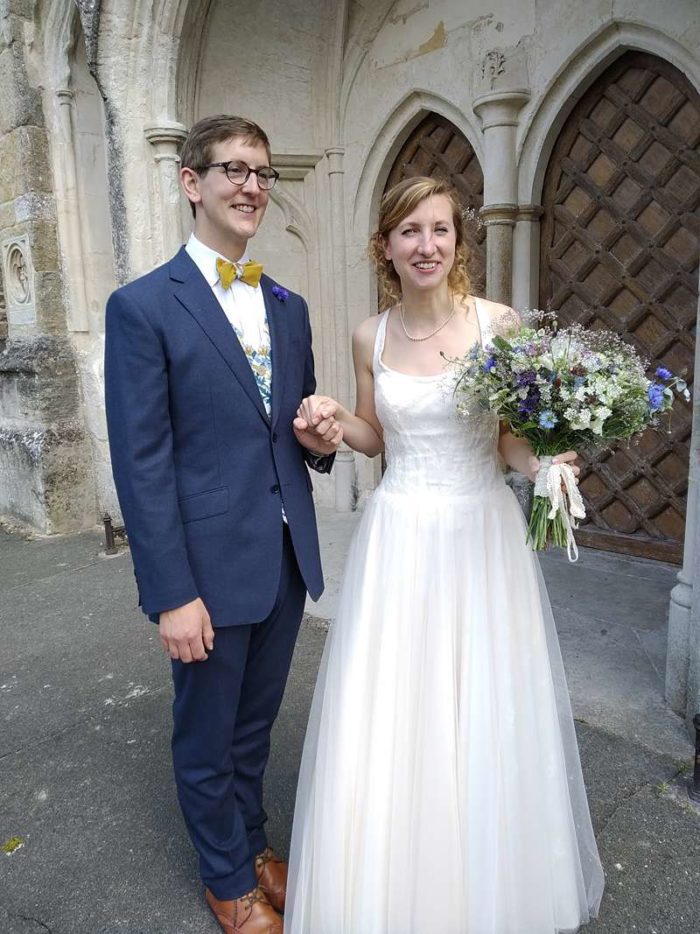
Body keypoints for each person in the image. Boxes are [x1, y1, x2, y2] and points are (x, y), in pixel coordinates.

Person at [286, 176, 605, 933]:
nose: (425, 245)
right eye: (409, 232)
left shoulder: (499, 324)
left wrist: (545, 465)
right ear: (385, 245)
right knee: (399, 706)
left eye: (439, 230)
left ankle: (491, 884)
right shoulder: (371, 335)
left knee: (484, 701)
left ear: (458, 242)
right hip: (400, 535)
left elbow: (510, 437)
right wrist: (332, 420)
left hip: (480, 534)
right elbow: (374, 433)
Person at [104, 115, 341, 934]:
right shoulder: (142, 307)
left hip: (282, 555)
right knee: (207, 738)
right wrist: (172, 595)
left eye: (262, 173)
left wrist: (318, 442)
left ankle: (253, 847)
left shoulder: (289, 304)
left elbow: (294, 432)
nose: (249, 186)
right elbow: (143, 462)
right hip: (204, 570)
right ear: (191, 181)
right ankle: (225, 881)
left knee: (254, 728)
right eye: (232, 169)